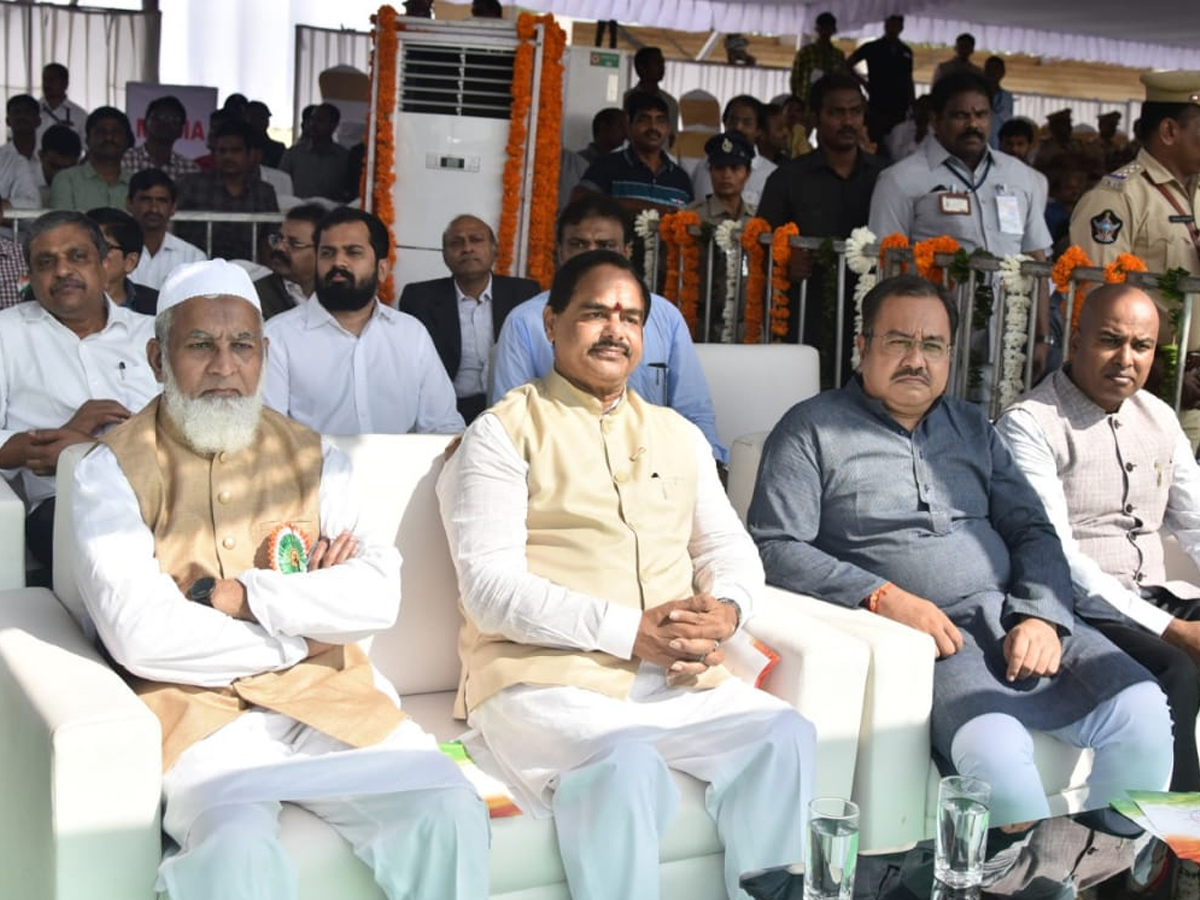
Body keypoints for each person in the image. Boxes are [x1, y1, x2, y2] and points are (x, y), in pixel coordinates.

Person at [72, 258, 489, 900]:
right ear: (158, 357)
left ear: (263, 354)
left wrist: (249, 598)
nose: (223, 365)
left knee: (447, 807)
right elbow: (142, 637)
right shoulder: (109, 470)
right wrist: (301, 632)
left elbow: (377, 597)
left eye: (242, 345)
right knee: (234, 853)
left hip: (330, 700)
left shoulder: (317, 456)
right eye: (200, 345)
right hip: (198, 721)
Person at [439, 248, 815, 900]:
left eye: (631, 318)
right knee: (627, 762)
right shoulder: (503, 434)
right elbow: (490, 590)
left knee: (782, 734)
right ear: (551, 324)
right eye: (595, 314)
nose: (615, 330)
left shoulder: (677, 434)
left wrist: (724, 610)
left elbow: (728, 547)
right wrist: (629, 633)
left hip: (671, 676)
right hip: (542, 679)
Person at [749, 273, 1173, 829]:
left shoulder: (973, 426)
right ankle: (1016, 882)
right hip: (929, 642)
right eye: (898, 342)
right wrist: (881, 597)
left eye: (932, 346)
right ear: (863, 346)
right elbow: (774, 545)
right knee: (995, 752)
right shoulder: (811, 429)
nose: (916, 361)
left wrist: (1042, 615)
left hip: (1014, 619)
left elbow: (1033, 530)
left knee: (1143, 709)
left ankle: (1103, 862)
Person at [997, 285, 1200, 795]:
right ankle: (1173, 842)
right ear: (1076, 340)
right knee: (1177, 669)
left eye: (1142, 346)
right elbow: (1058, 557)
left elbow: (1195, 520)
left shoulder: (1159, 416)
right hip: (1084, 609)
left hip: (1157, 595)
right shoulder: (1030, 424)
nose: (1126, 359)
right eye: (1111, 341)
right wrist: (1173, 630)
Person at [491, 194, 726, 465]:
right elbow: (510, 420)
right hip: (561, 468)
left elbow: (693, 412)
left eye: (605, 245)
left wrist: (712, 468)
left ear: (627, 251)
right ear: (560, 252)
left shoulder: (665, 316)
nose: (592, 254)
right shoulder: (525, 321)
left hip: (653, 468)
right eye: (579, 244)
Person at [0, 210, 158, 571]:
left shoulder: (151, 333)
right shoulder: (6, 334)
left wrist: (104, 443)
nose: (62, 271)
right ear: (30, 276)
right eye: (46, 262)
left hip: (161, 489)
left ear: (105, 266)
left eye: (77, 257)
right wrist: (50, 442)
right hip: (66, 502)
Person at [868, 72, 1055, 374]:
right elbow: (884, 267)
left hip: (1008, 334)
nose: (973, 125)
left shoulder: (1022, 178)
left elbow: (1037, 259)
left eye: (981, 115)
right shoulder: (901, 180)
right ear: (935, 119)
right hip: (931, 335)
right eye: (960, 115)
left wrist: (1042, 336)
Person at [1070, 71, 1200, 445]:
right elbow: (1100, 297)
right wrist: (1160, 368)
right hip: (1150, 383)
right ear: (1170, 131)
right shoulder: (1119, 197)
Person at [264, 207, 463, 435]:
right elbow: (271, 438)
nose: (339, 263)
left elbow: (443, 426)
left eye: (353, 252)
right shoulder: (278, 337)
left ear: (381, 269)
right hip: (316, 471)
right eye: (328, 253)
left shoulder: (410, 334)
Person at [759, 74, 885, 356]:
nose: (848, 121)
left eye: (855, 112)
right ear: (815, 117)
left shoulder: (884, 177)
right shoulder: (787, 178)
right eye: (836, 113)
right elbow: (760, 243)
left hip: (867, 311)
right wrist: (785, 259)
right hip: (804, 312)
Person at [398, 215, 540, 424]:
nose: (467, 248)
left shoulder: (524, 293)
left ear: (495, 250)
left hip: (510, 408)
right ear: (444, 255)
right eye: (456, 243)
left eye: (476, 240)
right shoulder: (420, 298)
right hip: (449, 410)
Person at [176, 119, 279, 261]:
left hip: (249, 274)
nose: (228, 156)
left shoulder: (264, 192)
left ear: (250, 154)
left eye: (236, 151)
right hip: (197, 268)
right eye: (222, 151)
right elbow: (172, 231)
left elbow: (269, 241)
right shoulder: (191, 185)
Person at [577, 92, 693, 214]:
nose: (653, 127)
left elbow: (690, 222)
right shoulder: (606, 165)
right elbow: (578, 201)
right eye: (644, 119)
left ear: (668, 128)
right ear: (629, 125)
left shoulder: (681, 178)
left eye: (660, 120)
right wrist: (638, 205)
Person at [125, 169, 207, 291]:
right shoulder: (114, 253)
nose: (154, 208)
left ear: (173, 207)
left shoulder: (192, 257)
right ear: (129, 203)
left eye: (161, 201)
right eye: (146, 199)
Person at [691, 95, 776, 208]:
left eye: (747, 123)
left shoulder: (771, 174)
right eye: (733, 120)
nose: (738, 127)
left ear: (759, 130)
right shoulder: (704, 165)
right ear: (724, 124)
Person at [847, 14, 914, 147]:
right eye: (891, 24)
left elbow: (909, 78)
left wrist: (912, 103)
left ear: (901, 27)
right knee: (874, 141)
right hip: (878, 102)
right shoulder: (872, 47)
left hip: (900, 105)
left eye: (896, 25)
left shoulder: (906, 51)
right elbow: (848, 64)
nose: (893, 28)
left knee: (896, 143)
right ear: (885, 25)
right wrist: (863, 83)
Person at [49, 107, 133, 210]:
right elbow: (62, 224)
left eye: (116, 132)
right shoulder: (66, 180)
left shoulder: (136, 183)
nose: (109, 138)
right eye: (101, 132)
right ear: (87, 140)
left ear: (126, 141)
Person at [253, 203, 325, 319]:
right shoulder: (255, 297)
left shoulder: (339, 294)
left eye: (294, 244)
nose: (279, 247)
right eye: (279, 238)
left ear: (323, 252)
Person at [87, 206, 158, 315]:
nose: (88, 255)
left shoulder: (158, 306)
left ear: (130, 262)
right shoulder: (58, 302)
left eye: (102, 248)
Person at [279, 103, 350, 202]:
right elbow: (281, 186)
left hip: (332, 214)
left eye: (320, 120)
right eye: (311, 119)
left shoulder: (344, 157)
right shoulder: (293, 154)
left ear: (333, 125)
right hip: (297, 212)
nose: (313, 124)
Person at [122, 95, 200, 181]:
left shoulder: (191, 170)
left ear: (181, 131)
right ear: (144, 124)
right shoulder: (124, 160)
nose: (166, 122)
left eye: (174, 119)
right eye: (159, 117)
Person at [622, 47, 679, 142]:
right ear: (641, 67)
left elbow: (671, 137)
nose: (662, 67)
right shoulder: (624, 99)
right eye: (657, 63)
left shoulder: (670, 102)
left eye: (662, 63)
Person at [789, 11, 846, 106]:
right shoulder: (806, 52)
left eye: (828, 28)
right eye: (823, 28)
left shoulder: (838, 55)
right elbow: (795, 79)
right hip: (806, 102)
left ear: (833, 30)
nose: (825, 31)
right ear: (817, 29)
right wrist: (797, 101)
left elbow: (841, 78)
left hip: (830, 102)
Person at [0, 94, 45, 194]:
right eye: (16, 112)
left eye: (27, 112)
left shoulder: (48, 157)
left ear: (38, 121)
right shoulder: (1, 157)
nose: (22, 117)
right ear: (7, 121)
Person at [37, 62, 87, 141]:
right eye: (45, 79)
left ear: (65, 83)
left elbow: (87, 147)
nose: (47, 83)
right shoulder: (33, 111)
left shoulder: (79, 115)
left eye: (52, 79)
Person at [37, 124, 82, 205]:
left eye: (67, 169)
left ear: (78, 161)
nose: (60, 174)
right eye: (55, 167)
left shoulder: (84, 184)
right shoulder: (23, 180)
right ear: (41, 156)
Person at [246, 100, 287, 169]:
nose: (258, 121)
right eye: (254, 117)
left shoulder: (277, 149)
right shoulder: (237, 146)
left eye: (262, 117)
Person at [985, 56, 1013, 148]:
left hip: (998, 145)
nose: (993, 72)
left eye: (996, 69)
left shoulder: (1007, 97)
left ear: (1002, 72)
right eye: (990, 69)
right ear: (985, 71)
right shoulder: (976, 94)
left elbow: (1008, 122)